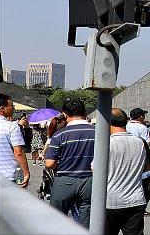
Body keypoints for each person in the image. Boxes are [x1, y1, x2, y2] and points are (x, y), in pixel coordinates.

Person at [45, 96, 95, 225]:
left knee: (57, 221)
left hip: (64, 180)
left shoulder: (60, 134)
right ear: (85, 113)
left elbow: (49, 163)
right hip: (90, 180)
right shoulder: (97, 133)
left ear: (64, 114)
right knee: (85, 222)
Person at [106, 108, 150, 235]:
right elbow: (147, 168)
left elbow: (94, 169)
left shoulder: (105, 144)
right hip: (135, 200)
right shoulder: (141, 143)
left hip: (110, 201)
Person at [0, 94, 30, 188]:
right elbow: (18, 152)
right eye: (11, 106)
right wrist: (26, 173)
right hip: (7, 176)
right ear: (2, 108)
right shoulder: (11, 126)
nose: (13, 108)